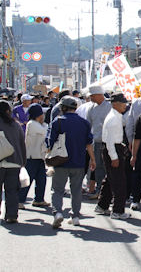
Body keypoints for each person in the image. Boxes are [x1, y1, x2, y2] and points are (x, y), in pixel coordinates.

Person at [47, 96, 96, 228]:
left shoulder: (57, 122)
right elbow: (89, 143)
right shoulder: (84, 123)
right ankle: (75, 216)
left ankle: (57, 213)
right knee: (76, 190)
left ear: (63, 108)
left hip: (61, 161)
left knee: (57, 189)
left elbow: (49, 143)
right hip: (79, 161)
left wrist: (47, 158)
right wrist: (92, 159)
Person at [95, 93, 131, 220]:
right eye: (123, 103)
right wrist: (114, 157)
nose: (125, 106)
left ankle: (102, 205)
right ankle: (117, 211)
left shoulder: (115, 116)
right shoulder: (113, 119)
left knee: (110, 179)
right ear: (116, 104)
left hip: (113, 148)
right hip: (113, 149)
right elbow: (110, 141)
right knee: (119, 182)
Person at [0, 100, 27, 223]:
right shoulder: (16, 125)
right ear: (9, 111)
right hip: (14, 161)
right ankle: (11, 215)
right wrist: (23, 160)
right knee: (12, 190)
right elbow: (22, 144)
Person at [19, 104, 50, 209]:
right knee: (28, 180)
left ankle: (39, 199)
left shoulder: (39, 124)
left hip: (39, 157)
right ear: (38, 114)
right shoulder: (32, 124)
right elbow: (46, 132)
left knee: (42, 180)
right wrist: (45, 126)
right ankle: (19, 200)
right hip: (31, 157)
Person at [86, 85, 112, 198]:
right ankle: (99, 191)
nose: (91, 98)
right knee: (98, 167)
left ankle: (110, 192)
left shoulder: (110, 106)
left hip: (110, 141)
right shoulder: (91, 108)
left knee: (109, 167)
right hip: (97, 141)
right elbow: (88, 125)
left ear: (98, 95)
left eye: (92, 96)